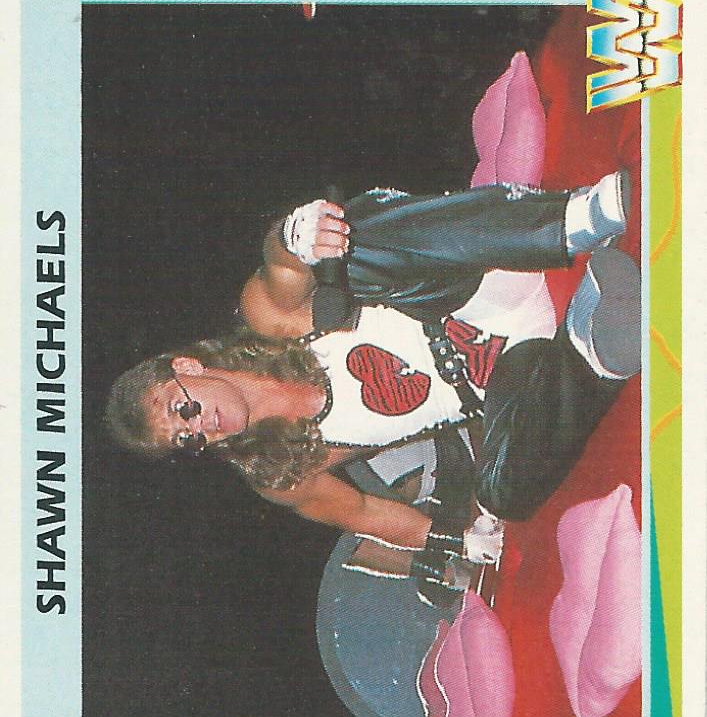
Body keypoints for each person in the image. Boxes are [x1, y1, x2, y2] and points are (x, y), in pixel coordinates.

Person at [107, 176, 640, 586]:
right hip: (512, 371)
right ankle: (591, 344)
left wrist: (294, 237)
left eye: (183, 411)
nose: (201, 428)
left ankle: (572, 219)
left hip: (484, 280)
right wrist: (458, 541)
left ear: (188, 368)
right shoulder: (280, 472)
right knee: (504, 494)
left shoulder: (269, 322)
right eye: (187, 440)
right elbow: (361, 513)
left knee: (348, 245)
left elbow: (283, 267)